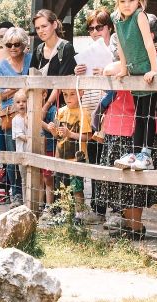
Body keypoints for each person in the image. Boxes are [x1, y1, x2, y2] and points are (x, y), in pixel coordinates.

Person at [30, 9, 76, 219]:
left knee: (62, 155)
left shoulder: (66, 48)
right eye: (37, 28)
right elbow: (32, 77)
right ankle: (46, 204)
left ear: (54, 24)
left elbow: (62, 80)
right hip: (41, 106)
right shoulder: (38, 50)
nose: (41, 31)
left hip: (58, 106)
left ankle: (65, 206)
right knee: (42, 155)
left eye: (44, 26)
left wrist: (46, 105)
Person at [110, 0, 157, 171]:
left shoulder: (139, 16)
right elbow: (121, 45)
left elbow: (148, 43)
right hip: (135, 71)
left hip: (148, 69)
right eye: (122, 1)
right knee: (138, 114)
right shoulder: (116, 18)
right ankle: (135, 152)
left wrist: (154, 69)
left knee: (147, 113)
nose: (127, 4)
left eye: (131, 0)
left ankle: (146, 155)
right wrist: (124, 69)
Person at [74, 8, 116, 225]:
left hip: (111, 115)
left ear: (109, 27)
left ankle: (116, 211)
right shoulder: (87, 53)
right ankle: (98, 210)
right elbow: (78, 91)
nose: (94, 32)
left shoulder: (116, 53)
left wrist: (106, 73)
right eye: (90, 28)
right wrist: (79, 74)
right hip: (91, 113)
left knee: (112, 163)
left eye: (99, 27)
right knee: (95, 163)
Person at [0, 27, 32, 206]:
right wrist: (23, 84)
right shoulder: (1, 66)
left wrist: (13, 88)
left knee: (34, 153)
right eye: (9, 45)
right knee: (13, 155)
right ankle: (16, 194)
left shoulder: (31, 60)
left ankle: (34, 194)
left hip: (32, 112)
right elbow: (2, 94)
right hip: (11, 115)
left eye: (17, 44)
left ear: (24, 44)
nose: (13, 48)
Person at [49, 88, 93, 223]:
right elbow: (58, 136)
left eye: (72, 94)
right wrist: (53, 131)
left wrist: (70, 134)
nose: (68, 98)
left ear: (81, 93)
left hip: (77, 158)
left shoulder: (84, 113)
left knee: (77, 188)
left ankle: (79, 215)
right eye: (65, 94)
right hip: (61, 157)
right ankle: (65, 213)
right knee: (63, 187)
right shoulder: (60, 112)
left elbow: (88, 136)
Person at [9, 90, 29, 207]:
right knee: (24, 179)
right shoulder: (15, 120)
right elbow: (20, 136)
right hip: (22, 153)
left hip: (33, 151)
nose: (21, 104)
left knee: (35, 178)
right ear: (14, 105)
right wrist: (31, 138)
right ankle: (26, 202)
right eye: (18, 102)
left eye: (24, 101)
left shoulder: (31, 117)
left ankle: (37, 202)